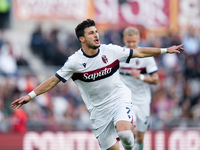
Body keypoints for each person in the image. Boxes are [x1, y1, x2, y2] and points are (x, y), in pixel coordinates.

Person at [11, 19, 184, 150]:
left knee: (124, 133)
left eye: (96, 32)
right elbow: (53, 81)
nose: (96, 35)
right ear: (82, 39)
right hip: (98, 112)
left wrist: (165, 50)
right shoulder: (74, 62)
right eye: (91, 33)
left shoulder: (110, 50)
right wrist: (30, 95)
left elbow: (138, 52)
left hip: (119, 98)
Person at [119, 27, 159, 150]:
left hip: (143, 100)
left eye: (134, 42)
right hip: (126, 100)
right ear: (124, 40)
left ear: (139, 39)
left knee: (140, 138)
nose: (131, 45)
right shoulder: (119, 55)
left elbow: (155, 80)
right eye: (128, 42)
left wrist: (140, 76)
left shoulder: (146, 57)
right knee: (132, 132)